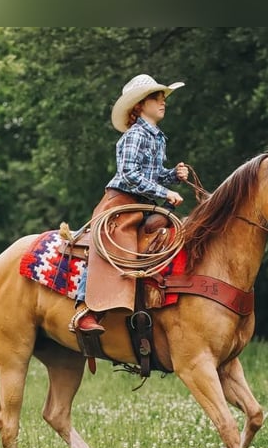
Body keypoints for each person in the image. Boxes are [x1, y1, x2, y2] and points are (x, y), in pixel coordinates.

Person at [73, 74, 189, 336]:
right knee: (118, 245)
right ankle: (85, 309)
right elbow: (129, 174)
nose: (163, 102)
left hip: (144, 204)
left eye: (162, 98)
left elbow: (153, 173)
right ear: (139, 105)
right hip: (121, 202)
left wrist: (173, 175)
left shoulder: (157, 137)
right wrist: (165, 191)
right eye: (156, 97)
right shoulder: (135, 135)